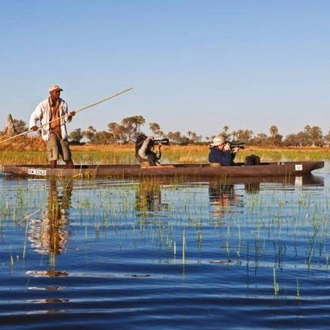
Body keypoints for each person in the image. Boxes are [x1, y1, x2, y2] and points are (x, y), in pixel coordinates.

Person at [30, 85, 76, 169]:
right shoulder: (43, 104)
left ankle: (73, 174)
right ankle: (52, 177)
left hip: (61, 133)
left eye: (59, 92)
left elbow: (65, 119)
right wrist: (33, 125)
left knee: (67, 156)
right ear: (51, 93)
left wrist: (69, 116)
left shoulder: (63, 103)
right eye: (56, 92)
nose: (58, 93)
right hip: (50, 132)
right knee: (53, 155)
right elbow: (34, 116)